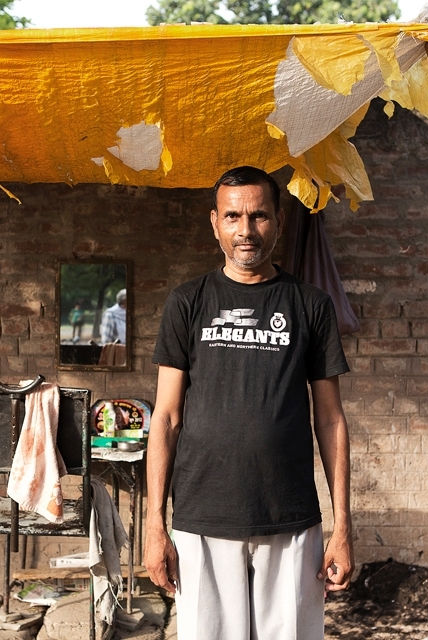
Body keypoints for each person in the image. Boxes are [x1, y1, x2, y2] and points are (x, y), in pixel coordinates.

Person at [145, 166, 354, 640]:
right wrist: (155, 525)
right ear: (214, 222)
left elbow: (331, 419)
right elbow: (167, 418)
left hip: (290, 516)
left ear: (278, 220)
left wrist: (342, 527)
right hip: (204, 515)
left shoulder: (311, 305)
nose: (246, 230)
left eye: (258, 216)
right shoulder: (188, 302)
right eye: (233, 216)